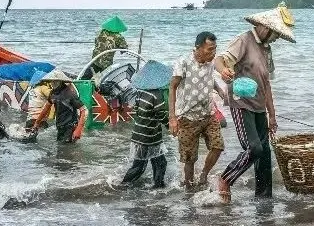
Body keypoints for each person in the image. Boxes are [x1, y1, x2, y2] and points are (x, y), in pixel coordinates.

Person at [213, 2, 296, 203]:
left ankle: (264, 198)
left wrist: (272, 115)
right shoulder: (244, 39)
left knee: (265, 154)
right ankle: (225, 178)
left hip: (259, 106)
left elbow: (266, 85)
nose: (277, 38)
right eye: (277, 33)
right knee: (254, 148)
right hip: (242, 104)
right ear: (266, 28)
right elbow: (219, 60)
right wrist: (223, 71)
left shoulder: (267, 49)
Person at [169, 31, 225, 190]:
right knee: (189, 158)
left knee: (218, 146)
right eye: (210, 49)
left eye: (215, 49)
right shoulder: (183, 62)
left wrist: (219, 90)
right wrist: (172, 118)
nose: (213, 53)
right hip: (187, 117)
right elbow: (172, 87)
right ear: (198, 48)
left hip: (208, 114)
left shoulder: (211, 62)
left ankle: (204, 174)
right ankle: (188, 187)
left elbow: (210, 78)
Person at [121, 60, 171, 189]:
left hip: (139, 133)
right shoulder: (157, 95)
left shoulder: (140, 92)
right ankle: (156, 187)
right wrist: (171, 126)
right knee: (151, 165)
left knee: (144, 164)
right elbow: (161, 115)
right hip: (150, 136)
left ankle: (156, 185)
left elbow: (137, 110)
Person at [26, 69, 87, 143]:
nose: (53, 83)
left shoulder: (70, 94)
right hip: (60, 126)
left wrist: (79, 129)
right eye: (51, 81)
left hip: (70, 127)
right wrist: (37, 123)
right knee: (60, 146)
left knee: (67, 147)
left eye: (55, 81)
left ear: (60, 82)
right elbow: (46, 108)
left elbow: (83, 110)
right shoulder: (53, 93)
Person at [81, 15, 129, 80]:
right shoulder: (119, 37)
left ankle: (81, 83)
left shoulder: (101, 33)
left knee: (86, 76)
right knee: (105, 79)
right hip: (106, 63)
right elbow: (124, 49)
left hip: (95, 59)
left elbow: (96, 42)